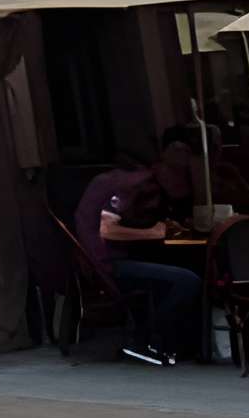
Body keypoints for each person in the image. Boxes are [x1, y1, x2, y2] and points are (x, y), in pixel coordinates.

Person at [75, 150, 204, 365]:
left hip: (100, 262)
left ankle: (168, 340)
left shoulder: (124, 182)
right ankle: (148, 340)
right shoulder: (132, 184)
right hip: (107, 265)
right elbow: (107, 230)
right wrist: (152, 233)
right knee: (188, 280)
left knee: (174, 271)